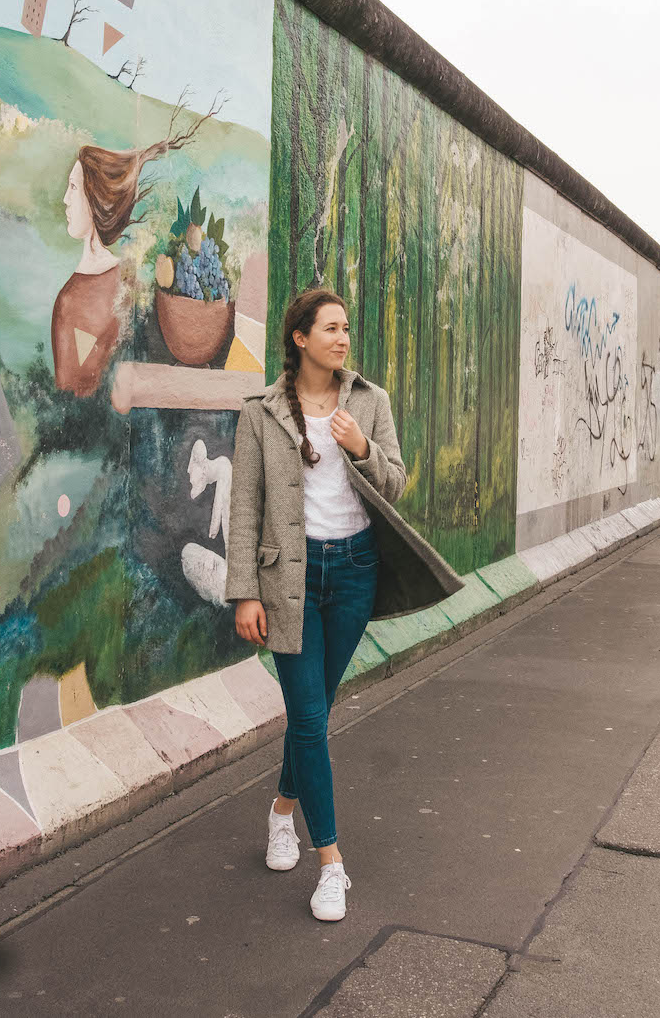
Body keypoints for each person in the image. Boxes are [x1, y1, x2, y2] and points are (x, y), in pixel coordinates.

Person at [226, 287, 462, 922]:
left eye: (346, 328)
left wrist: (362, 446)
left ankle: (281, 809)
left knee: (315, 711)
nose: (343, 338)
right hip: (289, 580)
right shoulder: (262, 414)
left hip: (354, 571)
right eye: (330, 328)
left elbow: (396, 483)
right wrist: (245, 590)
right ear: (300, 338)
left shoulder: (369, 401)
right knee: (309, 720)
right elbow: (244, 506)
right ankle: (330, 863)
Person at [52, 101, 217, 396]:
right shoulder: (130, 279)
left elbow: (68, 395)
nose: (65, 199)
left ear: (95, 200)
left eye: (73, 188)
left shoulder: (71, 301)